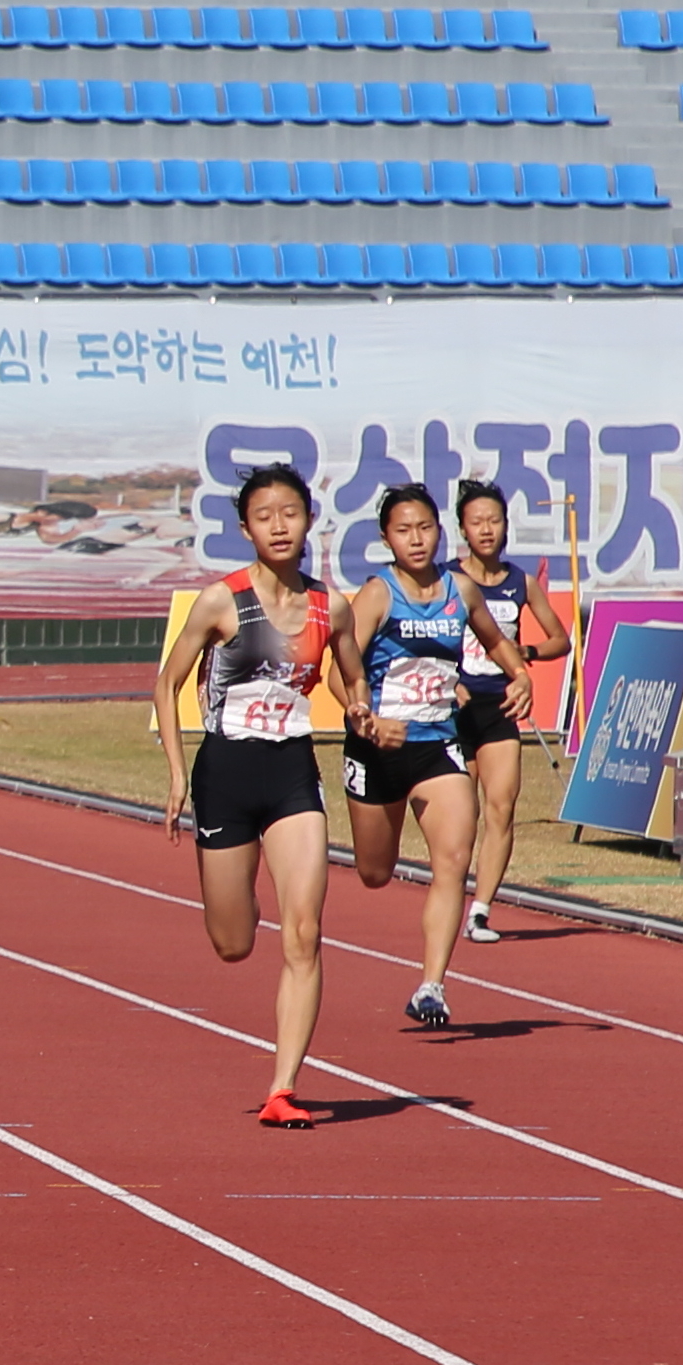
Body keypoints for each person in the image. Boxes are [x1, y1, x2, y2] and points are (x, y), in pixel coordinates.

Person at [155, 464, 335, 1128]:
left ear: (307, 517)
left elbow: (344, 683)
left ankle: (281, 1088)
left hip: (291, 774)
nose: (279, 525)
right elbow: (165, 682)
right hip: (224, 774)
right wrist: (176, 774)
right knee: (232, 941)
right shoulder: (219, 601)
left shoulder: (327, 606)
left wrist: (364, 709)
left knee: (305, 932)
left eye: (289, 512)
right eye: (265, 516)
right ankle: (242, 884)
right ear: (245, 528)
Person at [329, 483, 531, 1032]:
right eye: (403, 530)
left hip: (438, 743)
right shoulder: (376, 595)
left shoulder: (459, 590)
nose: (416, 540)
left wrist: (520, 675)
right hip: (378, 750)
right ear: (386, 539)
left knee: (452, 859)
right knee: (375, 872)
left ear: (440, 532)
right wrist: (363, 716)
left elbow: (494, 639)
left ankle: (431, 986)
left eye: (424, 528)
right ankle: (426, 973)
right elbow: (338, 672)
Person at [449, 479, 568, 945]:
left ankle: (480, 910)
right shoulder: (448, 580)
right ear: (463, 529)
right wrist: (447, 680)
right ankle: (448, 893)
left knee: (502, 807)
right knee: (462, 814)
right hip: (454, 708)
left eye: (494, 521)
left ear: (505, 528)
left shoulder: (521, 583)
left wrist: (526, 653)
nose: (486, 530)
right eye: (476, 522)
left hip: (501, 706)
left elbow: (561, 639)